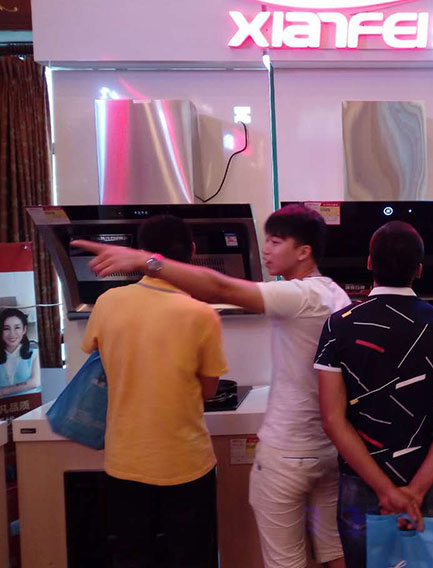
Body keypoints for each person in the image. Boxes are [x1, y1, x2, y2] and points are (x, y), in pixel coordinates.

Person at [73, 204, 349, 568]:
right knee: (331, 547)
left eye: (276, 241)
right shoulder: (335, 294)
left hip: (285, 451)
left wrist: (145, 261)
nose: (266, 249)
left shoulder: (299, 295)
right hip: (324, 447)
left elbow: (221, 287)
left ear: (304, 251)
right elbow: (208, 387)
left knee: (284, 559)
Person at [316, 221, 433, 568]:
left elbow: (332, 419)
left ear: (370, 263)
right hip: (426, 483)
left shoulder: (339, 325)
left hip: (361, 482)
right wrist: (415, 490)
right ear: (419, 270)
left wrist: (385, 491)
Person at [81, 215, 228, 567]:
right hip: (186, 461)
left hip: (125, 459)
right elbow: (209, 391)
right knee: (191, 556)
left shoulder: (108, 302)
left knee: (132, 555)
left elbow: (97, 354)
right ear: (193, 251)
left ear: (140, 253)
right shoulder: (202, 314)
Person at [0, 308, 40, 392]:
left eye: (17, 327)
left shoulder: (34, 353)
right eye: (6, 328)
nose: (12, 334)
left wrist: (3, 391)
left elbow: (35, 382)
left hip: (31, 399)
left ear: (24, 330)